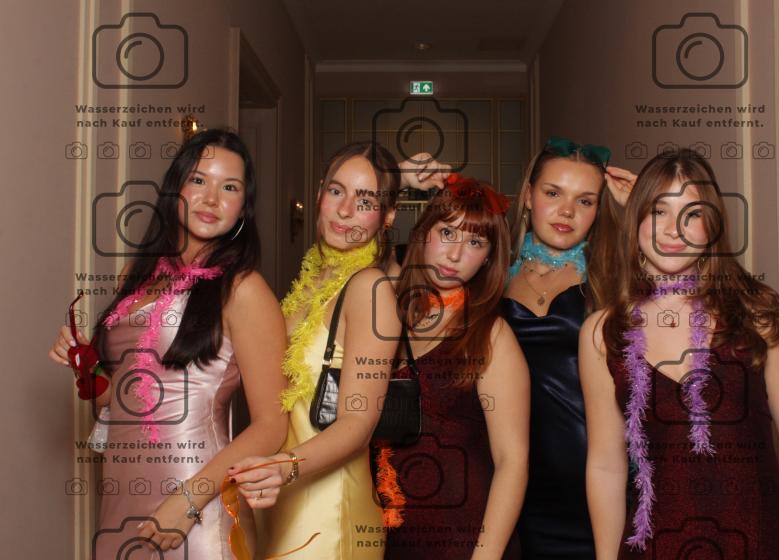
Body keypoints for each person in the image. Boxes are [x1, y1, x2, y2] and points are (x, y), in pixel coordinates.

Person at [580, 148, 779, 559]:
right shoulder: (602, 332)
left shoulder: (755, 311)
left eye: (692, 214)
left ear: (713, 226)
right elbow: (606, 464)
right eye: (658, 211)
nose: (672, 229)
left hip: (761, 540)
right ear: (636, 220)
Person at [48, 129, 289, 558]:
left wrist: (188, 500)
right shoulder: (136, 277)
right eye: (198, 180)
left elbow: (271, 425)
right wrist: (86, 367)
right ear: (175, 188)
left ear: (243, 207)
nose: (211, 198)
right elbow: (115, 403)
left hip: (195, 497)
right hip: (121, 495)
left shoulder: (244, 289)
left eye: (229, 187)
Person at [229, 142, 448, 559]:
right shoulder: (310, 281)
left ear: (388, 217)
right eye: (336, 191)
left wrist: (283, 467)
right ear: (319, 195)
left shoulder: (371, 289)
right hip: (278, 500)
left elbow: (358, 422)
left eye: (365, 202)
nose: (345, 211)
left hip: (330, 513)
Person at [379, 175, 529, 559]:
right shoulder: (388, 315)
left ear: (489, 257)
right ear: (422, 233)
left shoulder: (492, 336)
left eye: (475, 242)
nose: (455, 254)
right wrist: (396, 176)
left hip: (464, 539)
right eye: (447, 233)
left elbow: (512, 462)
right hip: (386, 539)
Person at [502, 137, 633, 558]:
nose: (567, 211)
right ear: (528, 196)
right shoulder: (489, 275)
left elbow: (691, 295)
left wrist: (643, 208)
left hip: (599, 484)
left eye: (585, 200)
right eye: (553, 193)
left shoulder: (613, 279)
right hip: (514, 485)